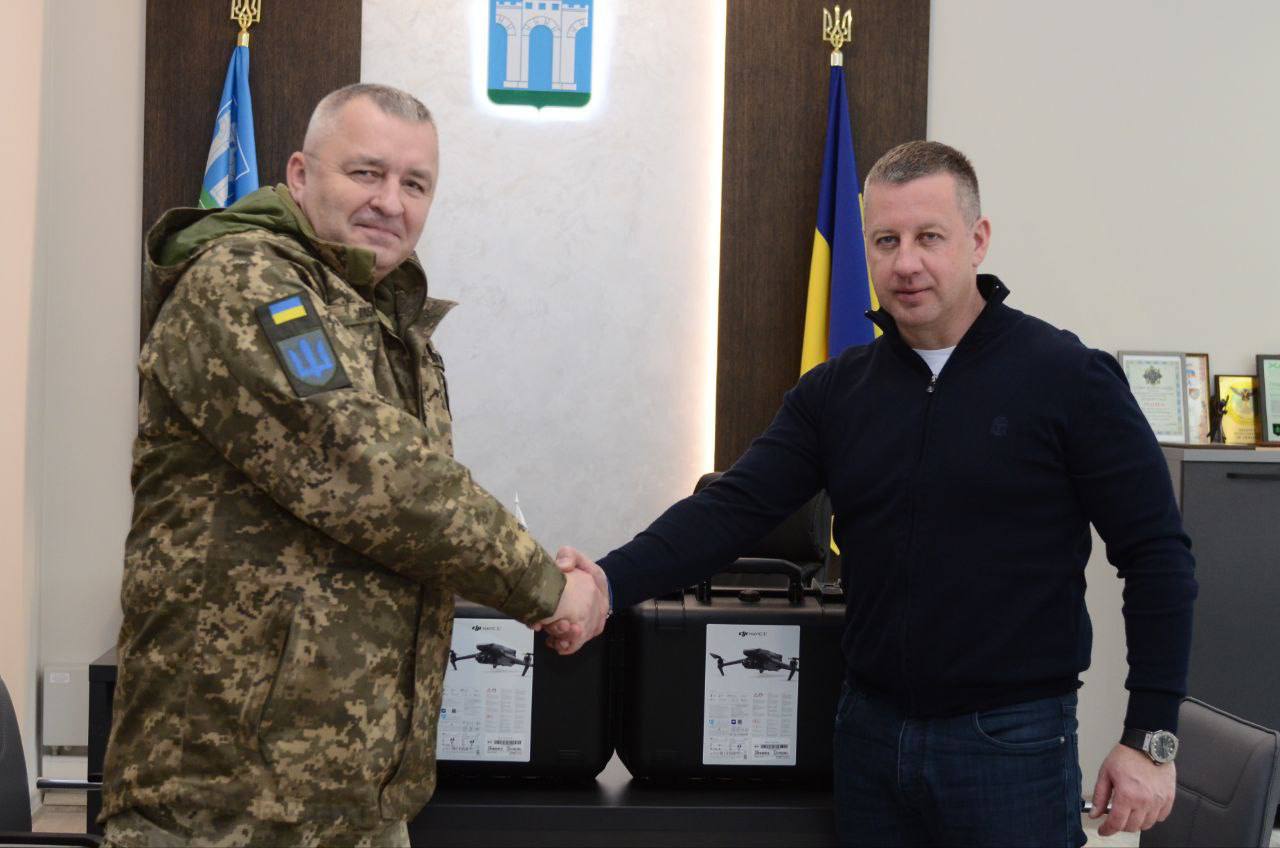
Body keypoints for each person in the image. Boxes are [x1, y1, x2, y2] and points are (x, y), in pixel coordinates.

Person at [556, 141, 1197, 847]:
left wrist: (1151, 736)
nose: (906, 263)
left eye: (930, 237)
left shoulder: (1068, 378)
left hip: (1011, 744)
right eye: (886, 241)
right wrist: (606, 582)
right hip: (868, 736)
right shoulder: (837, 392)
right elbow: (731, 510)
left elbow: (1157, 556)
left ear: (978, 239)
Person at [99, 83, 608, 848]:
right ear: (300, 175)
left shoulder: (380, 316)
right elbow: (375, 474)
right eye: (366, 172)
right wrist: (546, 586)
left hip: (351, 793)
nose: (390, 203)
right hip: (223, 800)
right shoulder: (244, 281)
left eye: (415, 184)